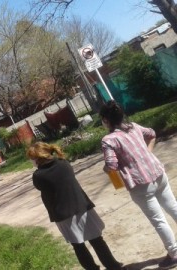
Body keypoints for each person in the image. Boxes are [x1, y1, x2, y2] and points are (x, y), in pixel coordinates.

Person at [100, 100, 177, 269]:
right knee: (173, 207)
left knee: (158, 220)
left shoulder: (109, 140)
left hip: (140, 184)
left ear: (106, 120)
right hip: (157, 172)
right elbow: (151, 133)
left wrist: (107, 169)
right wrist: (147, 153)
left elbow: (111, 166)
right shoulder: (133, 126)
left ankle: (174, 254)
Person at [27, 142, 125, 270]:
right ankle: (113, 266)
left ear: (38, 158)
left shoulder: (38, 175)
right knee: (97, 240)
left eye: (32, 159)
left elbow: (40, 187)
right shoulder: (64, 163)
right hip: (82, 206)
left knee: (78, 246)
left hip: (62, 214)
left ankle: (92, 268)